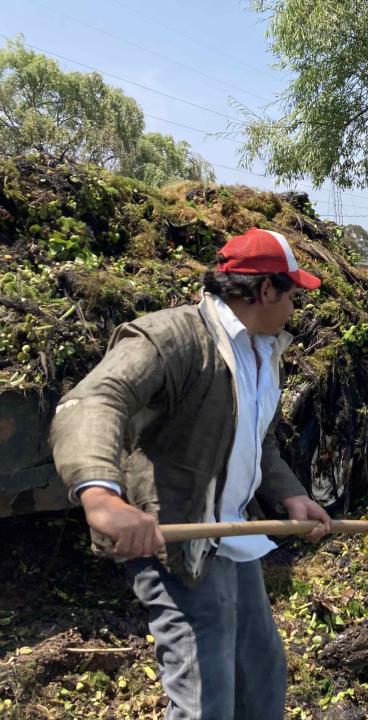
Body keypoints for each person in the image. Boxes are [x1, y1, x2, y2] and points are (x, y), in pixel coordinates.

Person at [49, 227, 333, 720]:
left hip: (232, 533)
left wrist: (291, 496)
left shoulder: (263, 351)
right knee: (206, 697)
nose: (296, 308)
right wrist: (101, 498)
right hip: (178, 541)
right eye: (293, 294)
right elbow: (92, 401)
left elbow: (256, 438)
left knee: (261, 677)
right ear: (266, 290)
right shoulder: (173, 338)